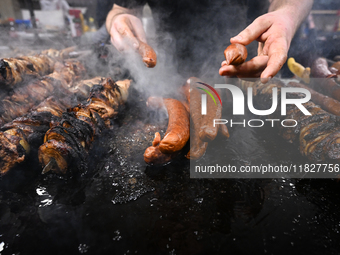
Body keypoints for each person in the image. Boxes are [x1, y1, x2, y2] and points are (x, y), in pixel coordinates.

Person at [104, 0, 313, 81]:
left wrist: (286, 15)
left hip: (256, 67)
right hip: (175, 76)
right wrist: (118, 20)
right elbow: (121, 8)